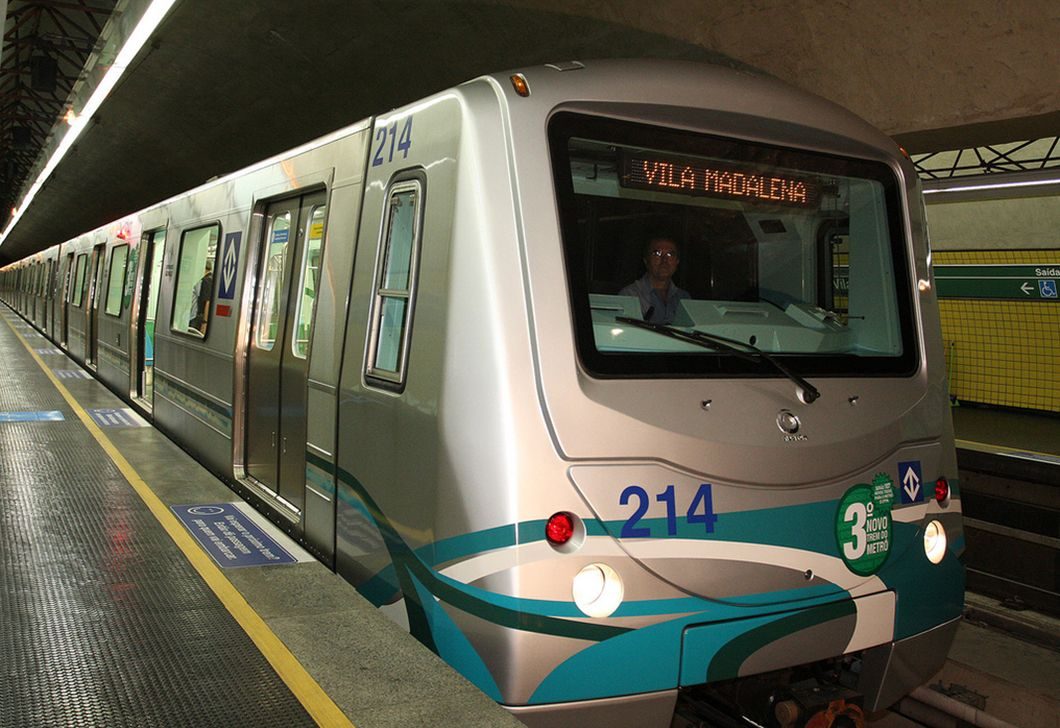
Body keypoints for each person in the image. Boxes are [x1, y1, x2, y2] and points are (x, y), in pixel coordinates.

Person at [619, 237, 689, 324]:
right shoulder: (630, 295)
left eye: (670, 254)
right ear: (646, 260)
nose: (664, 260)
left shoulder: (684, 298)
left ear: (677, 261)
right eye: (657, 254)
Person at [188, 261, 214, 334]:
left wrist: (204, 322)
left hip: (199, 317)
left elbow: (207, 301)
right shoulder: (211, 279)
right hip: (200, 317)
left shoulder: (207, 280)